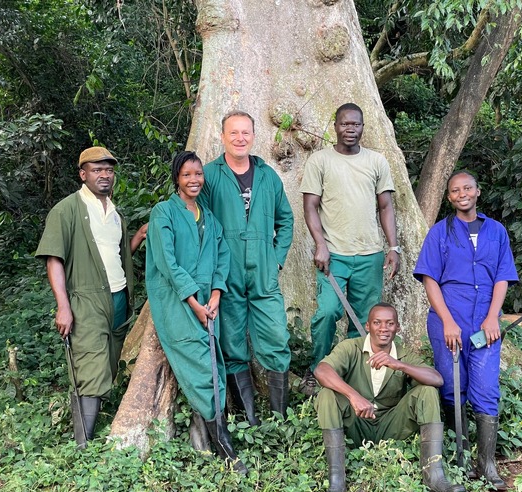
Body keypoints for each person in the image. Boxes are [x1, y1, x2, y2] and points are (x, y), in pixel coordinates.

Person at [36, 146, 147, 449]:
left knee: (110, 363)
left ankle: (91, 430)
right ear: (83, 174)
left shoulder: (115, 213)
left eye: (109, 170)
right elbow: (54, 260)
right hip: (86, 300)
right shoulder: (67, 210)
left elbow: (117, 256)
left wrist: (135, 239)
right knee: (90, 365)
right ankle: (83, 444)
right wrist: (63, 306)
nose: (104, 175)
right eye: (97, 170)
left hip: (119, 297)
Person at [413, 171, 518, 490]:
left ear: (477, 191)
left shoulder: (496, 232)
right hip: (449, 322)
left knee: (485, 390)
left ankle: (486, 463)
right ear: (449, 197)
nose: (462, 193)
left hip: (485, 324)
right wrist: (446, 320)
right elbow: (430, 279)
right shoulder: (439, 232)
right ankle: (459, 456)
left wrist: (492, 318)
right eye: (455, 190)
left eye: (467, 188)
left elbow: (502, 276)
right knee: (450, 389)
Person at [146, 151, 246, 473]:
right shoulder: (163, 213)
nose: (194, 180)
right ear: (177, 178)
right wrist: (194, 303)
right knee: (206, 370)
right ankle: (225, 449)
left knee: (215, 364)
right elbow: (168, 263)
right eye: (187, 174)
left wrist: (215, 294)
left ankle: (215, 441)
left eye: (198, 174)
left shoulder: (209, 218)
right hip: (176, 303)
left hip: (207, 302)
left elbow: (222, 257)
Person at [314, 303, 465, 492]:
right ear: (368, 326)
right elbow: (321, 371)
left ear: (398, 328)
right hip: (355, 424)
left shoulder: (403, 353)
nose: (383, 328)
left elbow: (437, 379)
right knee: (326, 394)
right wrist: (353, 396)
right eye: (377, 323)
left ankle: (435, 479)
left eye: (390, 323)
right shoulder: (351, 347)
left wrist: (397, 364)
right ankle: (336, 483)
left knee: (427, 391)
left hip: (391, 427)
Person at [300, 102, 400, 396]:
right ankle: (318, 368)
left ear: (363, 127)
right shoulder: (320, 161)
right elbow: (310, 206)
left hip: (369, 255)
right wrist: (320, 245)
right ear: (336, 127)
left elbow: (386, 206)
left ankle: (355, 374)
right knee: (327, 312)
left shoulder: (377, 161)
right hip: (334, 256)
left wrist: (392, 247)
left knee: (363, 321)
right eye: (345, 124)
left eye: (356, 124)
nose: (350, 129)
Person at [201, 111, 294, 426]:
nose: (240, 138)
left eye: (246, 133)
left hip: (264, 271)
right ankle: (249, 419)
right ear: (222, 136)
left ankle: (280, 418)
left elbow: (286, 219)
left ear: (254, 136)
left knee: (277, 337)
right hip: (226, 273)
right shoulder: (210, 175)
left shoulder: (267, 176)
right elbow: (200, 223)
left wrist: (277, 257)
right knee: (232, 343)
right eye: (233, 133)